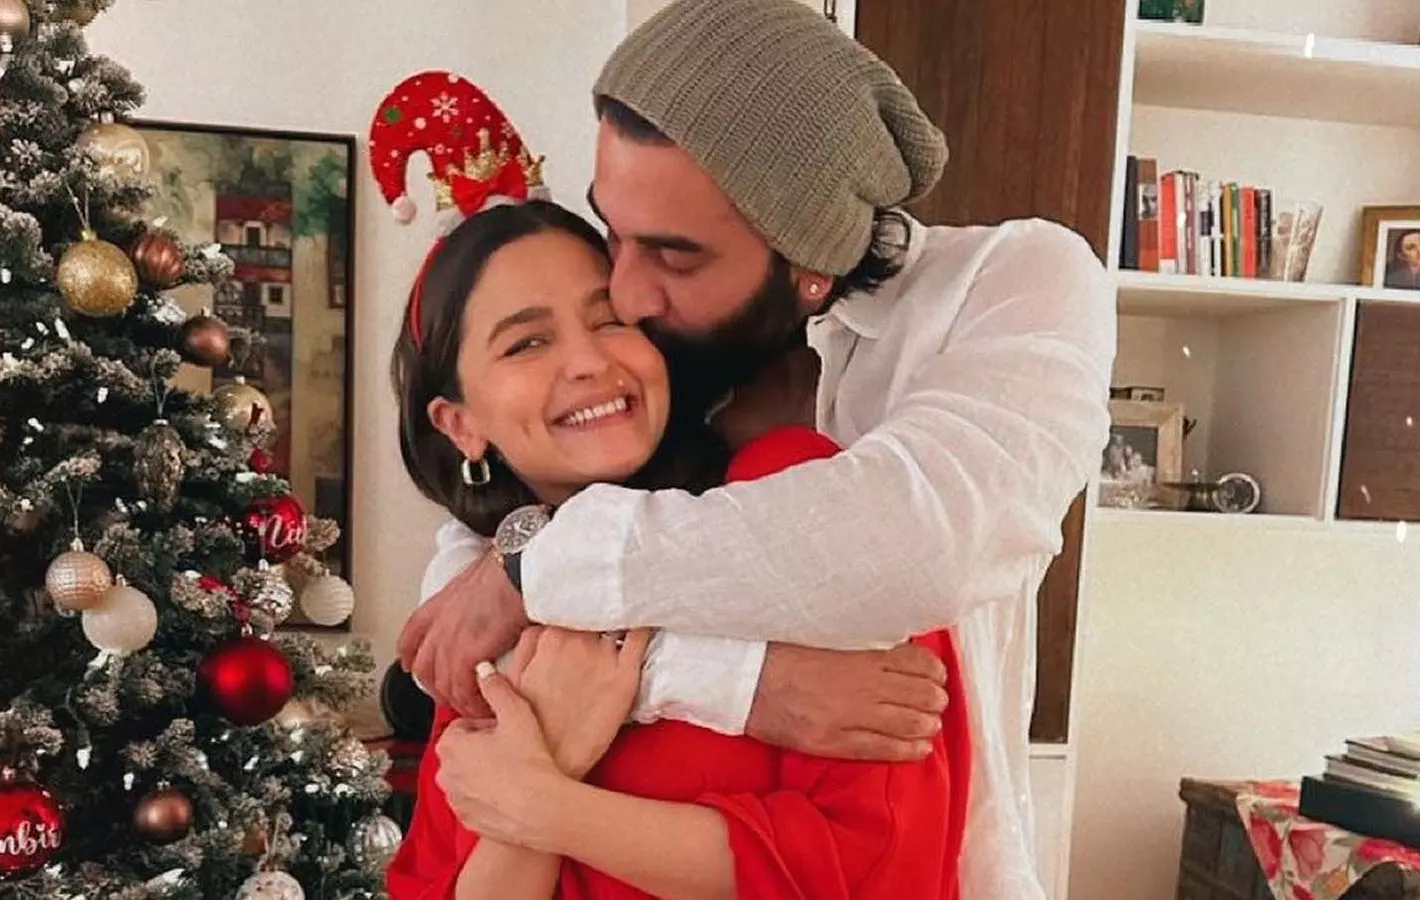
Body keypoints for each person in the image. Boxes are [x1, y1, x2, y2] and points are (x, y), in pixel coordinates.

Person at [394, 2, 1117, 897]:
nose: (628, 295)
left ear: (810, 262)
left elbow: (920, 542)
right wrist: (742, 681)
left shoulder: (1011, 285)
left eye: (674, 256)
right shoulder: (658, 364)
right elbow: (470, 595)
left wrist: (533, 580)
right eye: (612, 232)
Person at [384, 195, 973, 898]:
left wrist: (549, 805)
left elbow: (880, 867)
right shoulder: (481, 621)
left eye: (610, 319)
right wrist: (552, 759)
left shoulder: (791, 497)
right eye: (526, 343)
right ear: (460, 425)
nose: (588, 360)